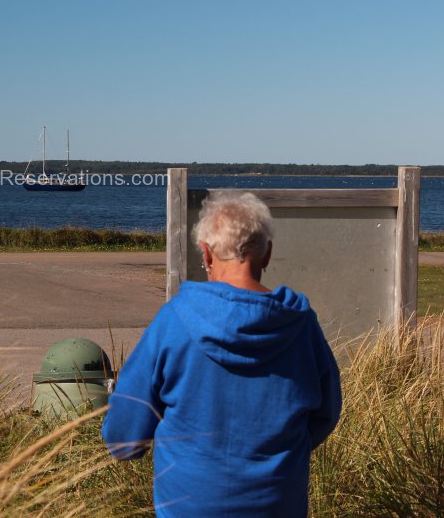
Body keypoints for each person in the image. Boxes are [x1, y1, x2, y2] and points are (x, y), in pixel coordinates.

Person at [102, 191, 341, 517]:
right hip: (277, 503)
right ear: (267, 253)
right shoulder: (300, 325)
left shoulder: (175, 321)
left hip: (189, 506)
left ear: (206, 253)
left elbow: (123, 436)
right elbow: (325, 414)